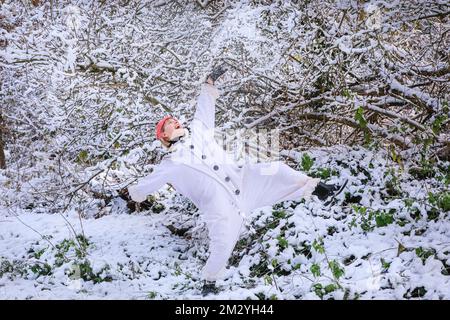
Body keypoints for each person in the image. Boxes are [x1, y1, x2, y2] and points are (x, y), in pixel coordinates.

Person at [128, 66, 346, 296]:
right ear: (162, 135)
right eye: (168, 123)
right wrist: (136, 194)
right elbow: (145, 186)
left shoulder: (200, 131)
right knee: (222, 245)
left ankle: (319, 190)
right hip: (218, 205)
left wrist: (209, 82)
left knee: (277, 169)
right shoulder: (170, 163)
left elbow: (204, 106)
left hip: (242, 179)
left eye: (174, 119)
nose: (174, 121)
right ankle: (209, 284)